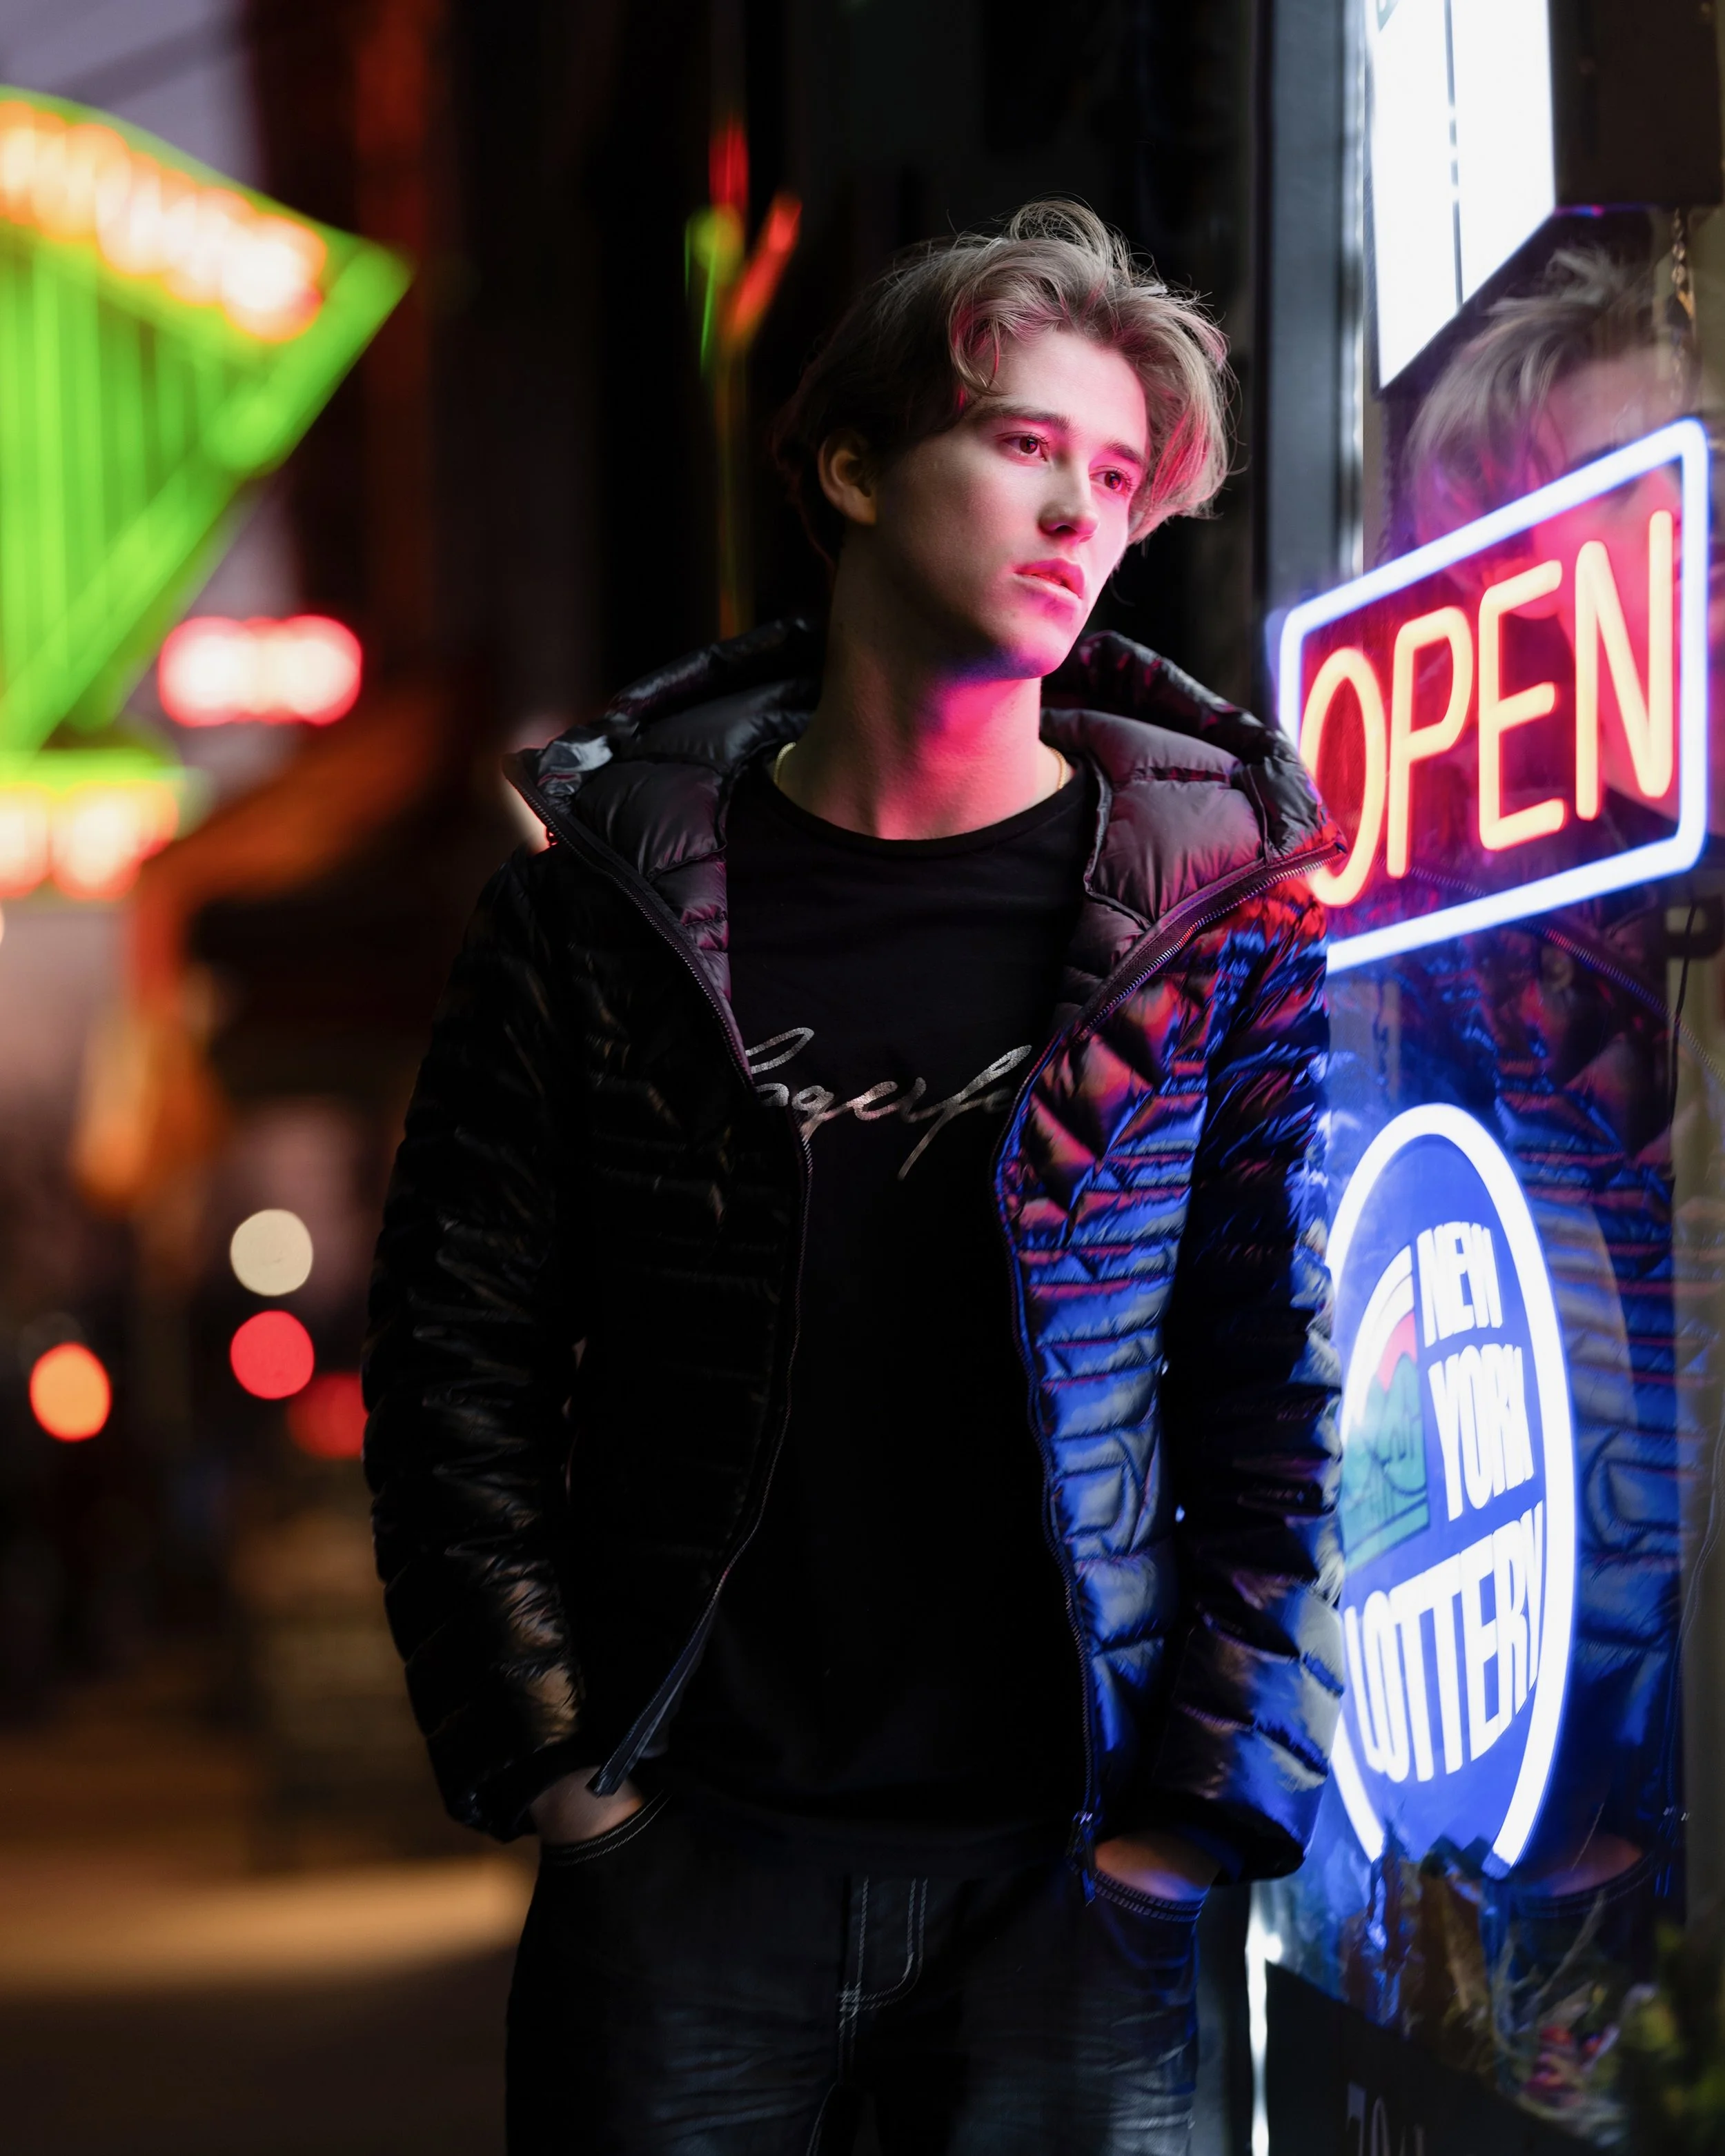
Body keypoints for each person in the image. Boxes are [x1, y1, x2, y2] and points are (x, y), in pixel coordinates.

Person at [364, 199, 1344, 2155]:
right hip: (690, 1864)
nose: (1080, 511)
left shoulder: (1213, 914)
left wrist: (1178, 1831)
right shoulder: (600, 917)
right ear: (848, 465)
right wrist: (572, 1782)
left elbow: (1283, 1389)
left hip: (1070, 1876)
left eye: (1117, 475)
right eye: (1020, 445)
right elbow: (454, 1365)